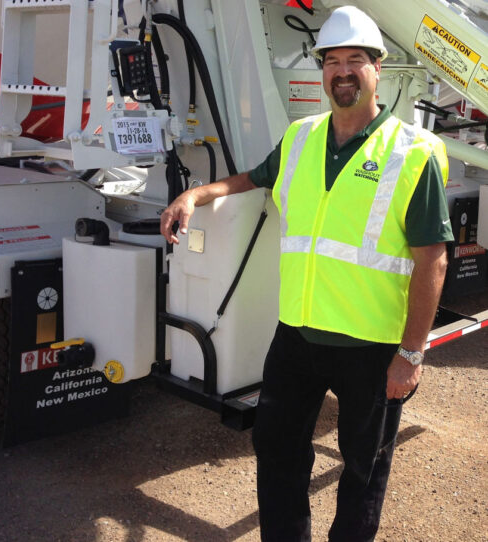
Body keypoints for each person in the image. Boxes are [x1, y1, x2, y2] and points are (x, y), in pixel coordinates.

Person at [160, 6, 453, 541]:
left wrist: (411, 354)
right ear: (321, 70)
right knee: (275, 448)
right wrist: (195, 194)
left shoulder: (413, 153)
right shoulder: (301, 137)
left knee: (363, 468)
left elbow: (433, 257)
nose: (343, 71)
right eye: (332, 61)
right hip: (297, 334)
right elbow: (252, 178)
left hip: (371, 343)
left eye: (355, 60)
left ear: (377, 68)